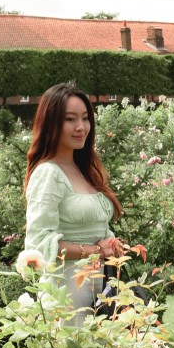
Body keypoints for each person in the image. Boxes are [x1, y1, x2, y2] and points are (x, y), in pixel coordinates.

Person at [23, 83, 124, 326]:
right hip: (68, 290)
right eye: (70, 119)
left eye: (85, 118)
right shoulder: (48, 173)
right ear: (51, 123)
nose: (81, 127)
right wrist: (97, 251)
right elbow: (39, 242)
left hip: (103, 287)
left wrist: (112, 244)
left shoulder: (84, 169)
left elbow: (97, 227)